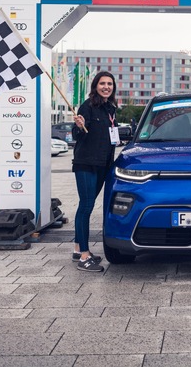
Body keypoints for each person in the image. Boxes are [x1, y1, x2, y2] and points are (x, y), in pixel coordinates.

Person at [71, 70, 119, 272]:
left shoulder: (111, 108)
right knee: (86, 206)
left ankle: (77, 248)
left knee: (87, 206)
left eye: (109, 84)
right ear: (95, 86)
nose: (106, 87)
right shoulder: (87, 106)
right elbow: (77, 135)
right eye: (102, 83)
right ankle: (84, 256)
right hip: (86, 164)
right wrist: (79, 126)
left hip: (103, 165)